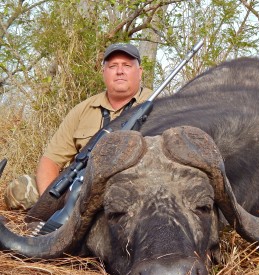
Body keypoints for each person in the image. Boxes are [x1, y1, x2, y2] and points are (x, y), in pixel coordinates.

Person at [4, 43, 153, 210]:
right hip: (82, 187)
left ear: (139, 72)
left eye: (127, 65)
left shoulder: (160, 104)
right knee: (20, 188)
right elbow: (51, 160)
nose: (119, 71)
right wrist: (54, 205)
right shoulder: (82, 109)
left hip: (134, 188)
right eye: (112, 66)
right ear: (104, 72)